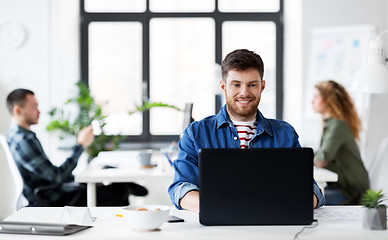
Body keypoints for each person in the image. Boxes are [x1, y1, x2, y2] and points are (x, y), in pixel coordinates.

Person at [168, 49, 325, 212]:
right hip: (216, 227)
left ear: (262, 86)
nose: (244, 92)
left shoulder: (285, 133)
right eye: (236, 84)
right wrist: (225, 208)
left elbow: (311, 189)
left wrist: (292, 204)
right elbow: (180, 188)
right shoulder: (196, 133)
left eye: (252, 85)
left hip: (273, 225)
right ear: (223, 86)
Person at [6, 88, 148, 207]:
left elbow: (51, 175)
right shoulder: (23, 140)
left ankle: (127, 185)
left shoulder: (17, 136)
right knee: (119, 190)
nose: (39, 111)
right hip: (55, 199)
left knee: (109, 184)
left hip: (56, 191)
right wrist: (80, 145)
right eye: (34, 107)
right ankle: (127, 188)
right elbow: (57, 176)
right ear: (18, 110)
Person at [312, 80, 369, 205]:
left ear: (328, 100)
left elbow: (322, 159)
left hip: (352, 192)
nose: (312, 101)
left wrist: (305, 157)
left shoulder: (337, 126)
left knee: (306, 200)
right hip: (342, 187)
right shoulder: (331, 125)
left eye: (316, 97)